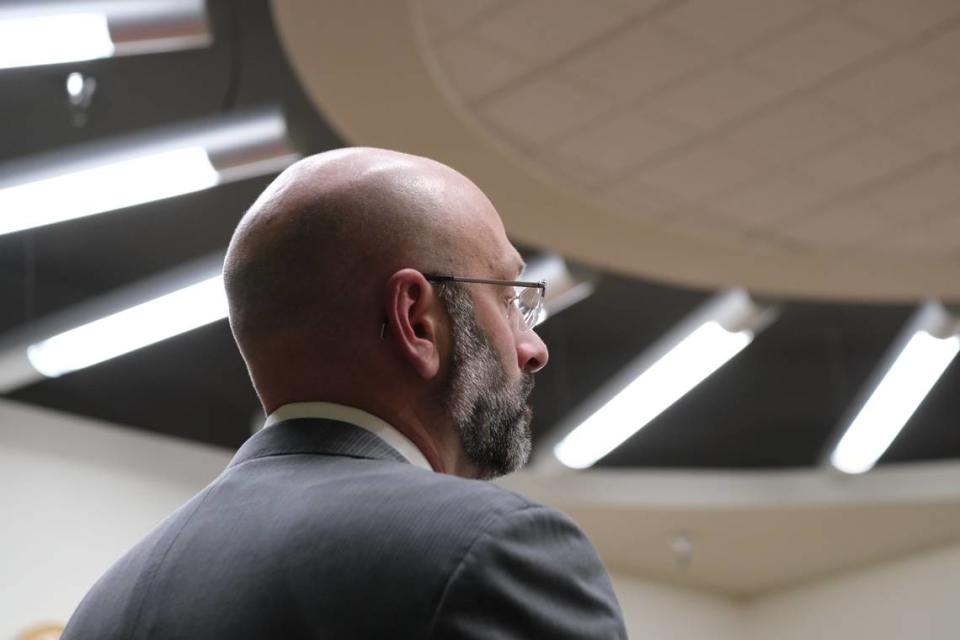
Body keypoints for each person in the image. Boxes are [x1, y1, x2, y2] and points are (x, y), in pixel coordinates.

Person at [61, 148, 627, 638]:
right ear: (417, 321)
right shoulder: (489, 551)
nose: (533, 348)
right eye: (508, 300)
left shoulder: (103, 608)